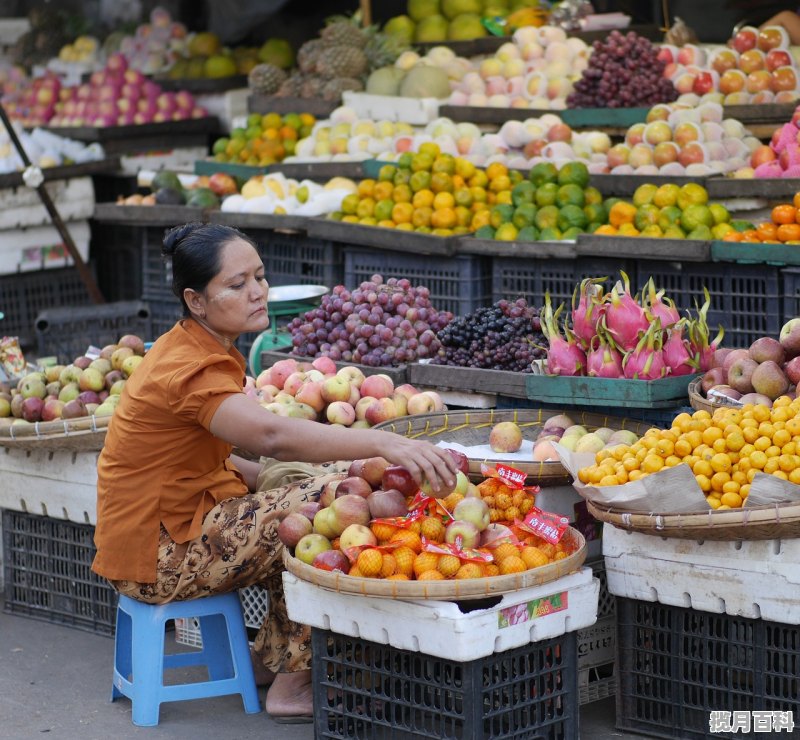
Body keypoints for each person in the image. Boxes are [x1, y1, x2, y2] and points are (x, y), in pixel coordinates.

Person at [92, 222, 458, 723]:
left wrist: (285, 477)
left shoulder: (198, 345)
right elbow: (268, 436)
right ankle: (291, 685)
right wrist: (381, 441)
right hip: (159, 558)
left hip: (166, 534)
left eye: (259, 276)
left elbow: (205, 460)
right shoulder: (191, 367)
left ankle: (272, 660)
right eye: (237, 284)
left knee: (319, 485)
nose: (258, 291)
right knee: (322, 508)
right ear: (196, 301)